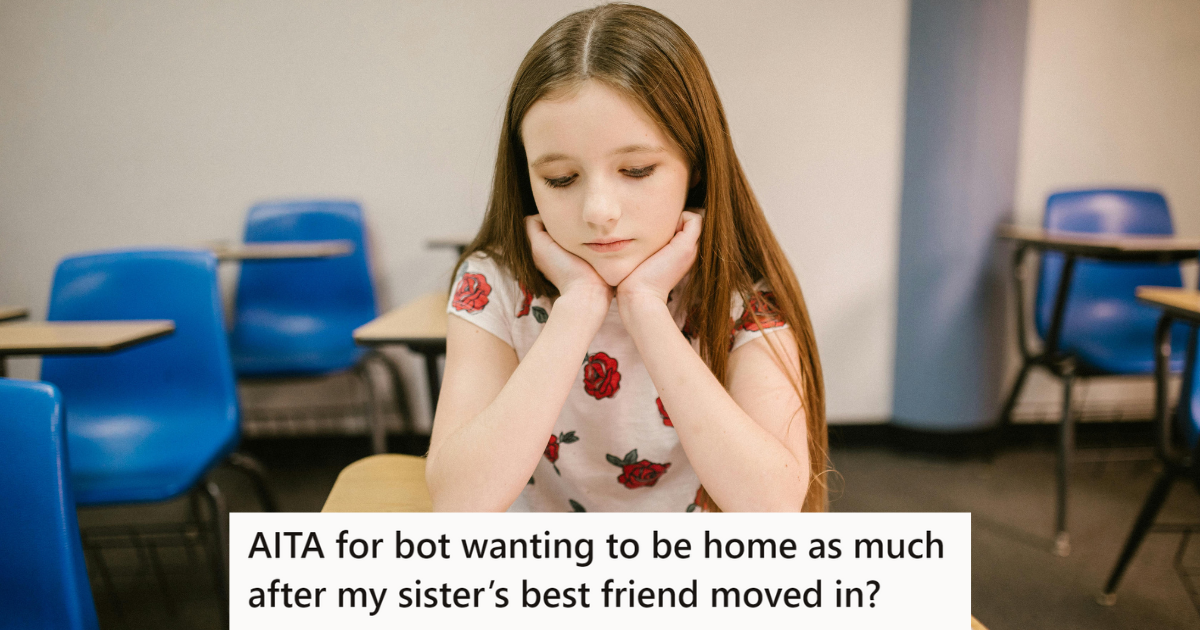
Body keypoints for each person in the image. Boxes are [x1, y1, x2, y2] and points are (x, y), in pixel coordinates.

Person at [426, 3, 828, 512]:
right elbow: (458, 503)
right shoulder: (492, 282)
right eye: (560, 179)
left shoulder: (741, 290)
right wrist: (577, 307)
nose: (598, 211)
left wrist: (644, 307)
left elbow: (772, 507)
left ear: (696, 166)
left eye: (636, 170)